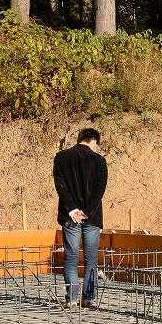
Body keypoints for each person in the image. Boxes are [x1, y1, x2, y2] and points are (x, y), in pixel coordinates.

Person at [53, 128, 108, 307]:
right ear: (93, 141)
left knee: (71, 257)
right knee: (91, 258)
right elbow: (100, 190)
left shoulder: (61, 157)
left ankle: (72, 300)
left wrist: (72, 210)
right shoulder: (100, 161)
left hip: (71, 217)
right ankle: (89, 298)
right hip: (91, 217)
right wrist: (87, 211)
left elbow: (60, 185)